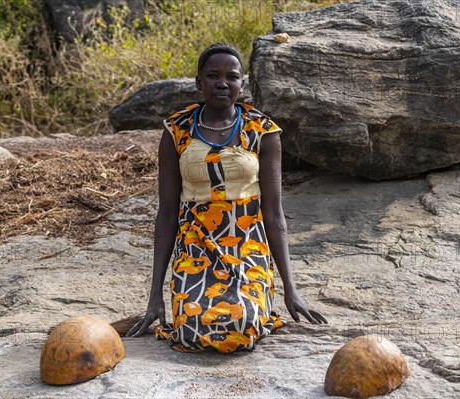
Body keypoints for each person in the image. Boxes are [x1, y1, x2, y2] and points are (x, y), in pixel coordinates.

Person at [126, 43, 327, 352]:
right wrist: (154, 297)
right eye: (213, 75)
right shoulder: (176, 130)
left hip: (247, 248)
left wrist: (291, 290)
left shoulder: (263, 131)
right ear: (198, 82)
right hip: (196, 250)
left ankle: (258, 301)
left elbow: (273, 214)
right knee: (193, 330)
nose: (222, 83)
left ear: (242, 85)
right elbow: (167, 215)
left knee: (242, 326)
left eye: (231, 77)